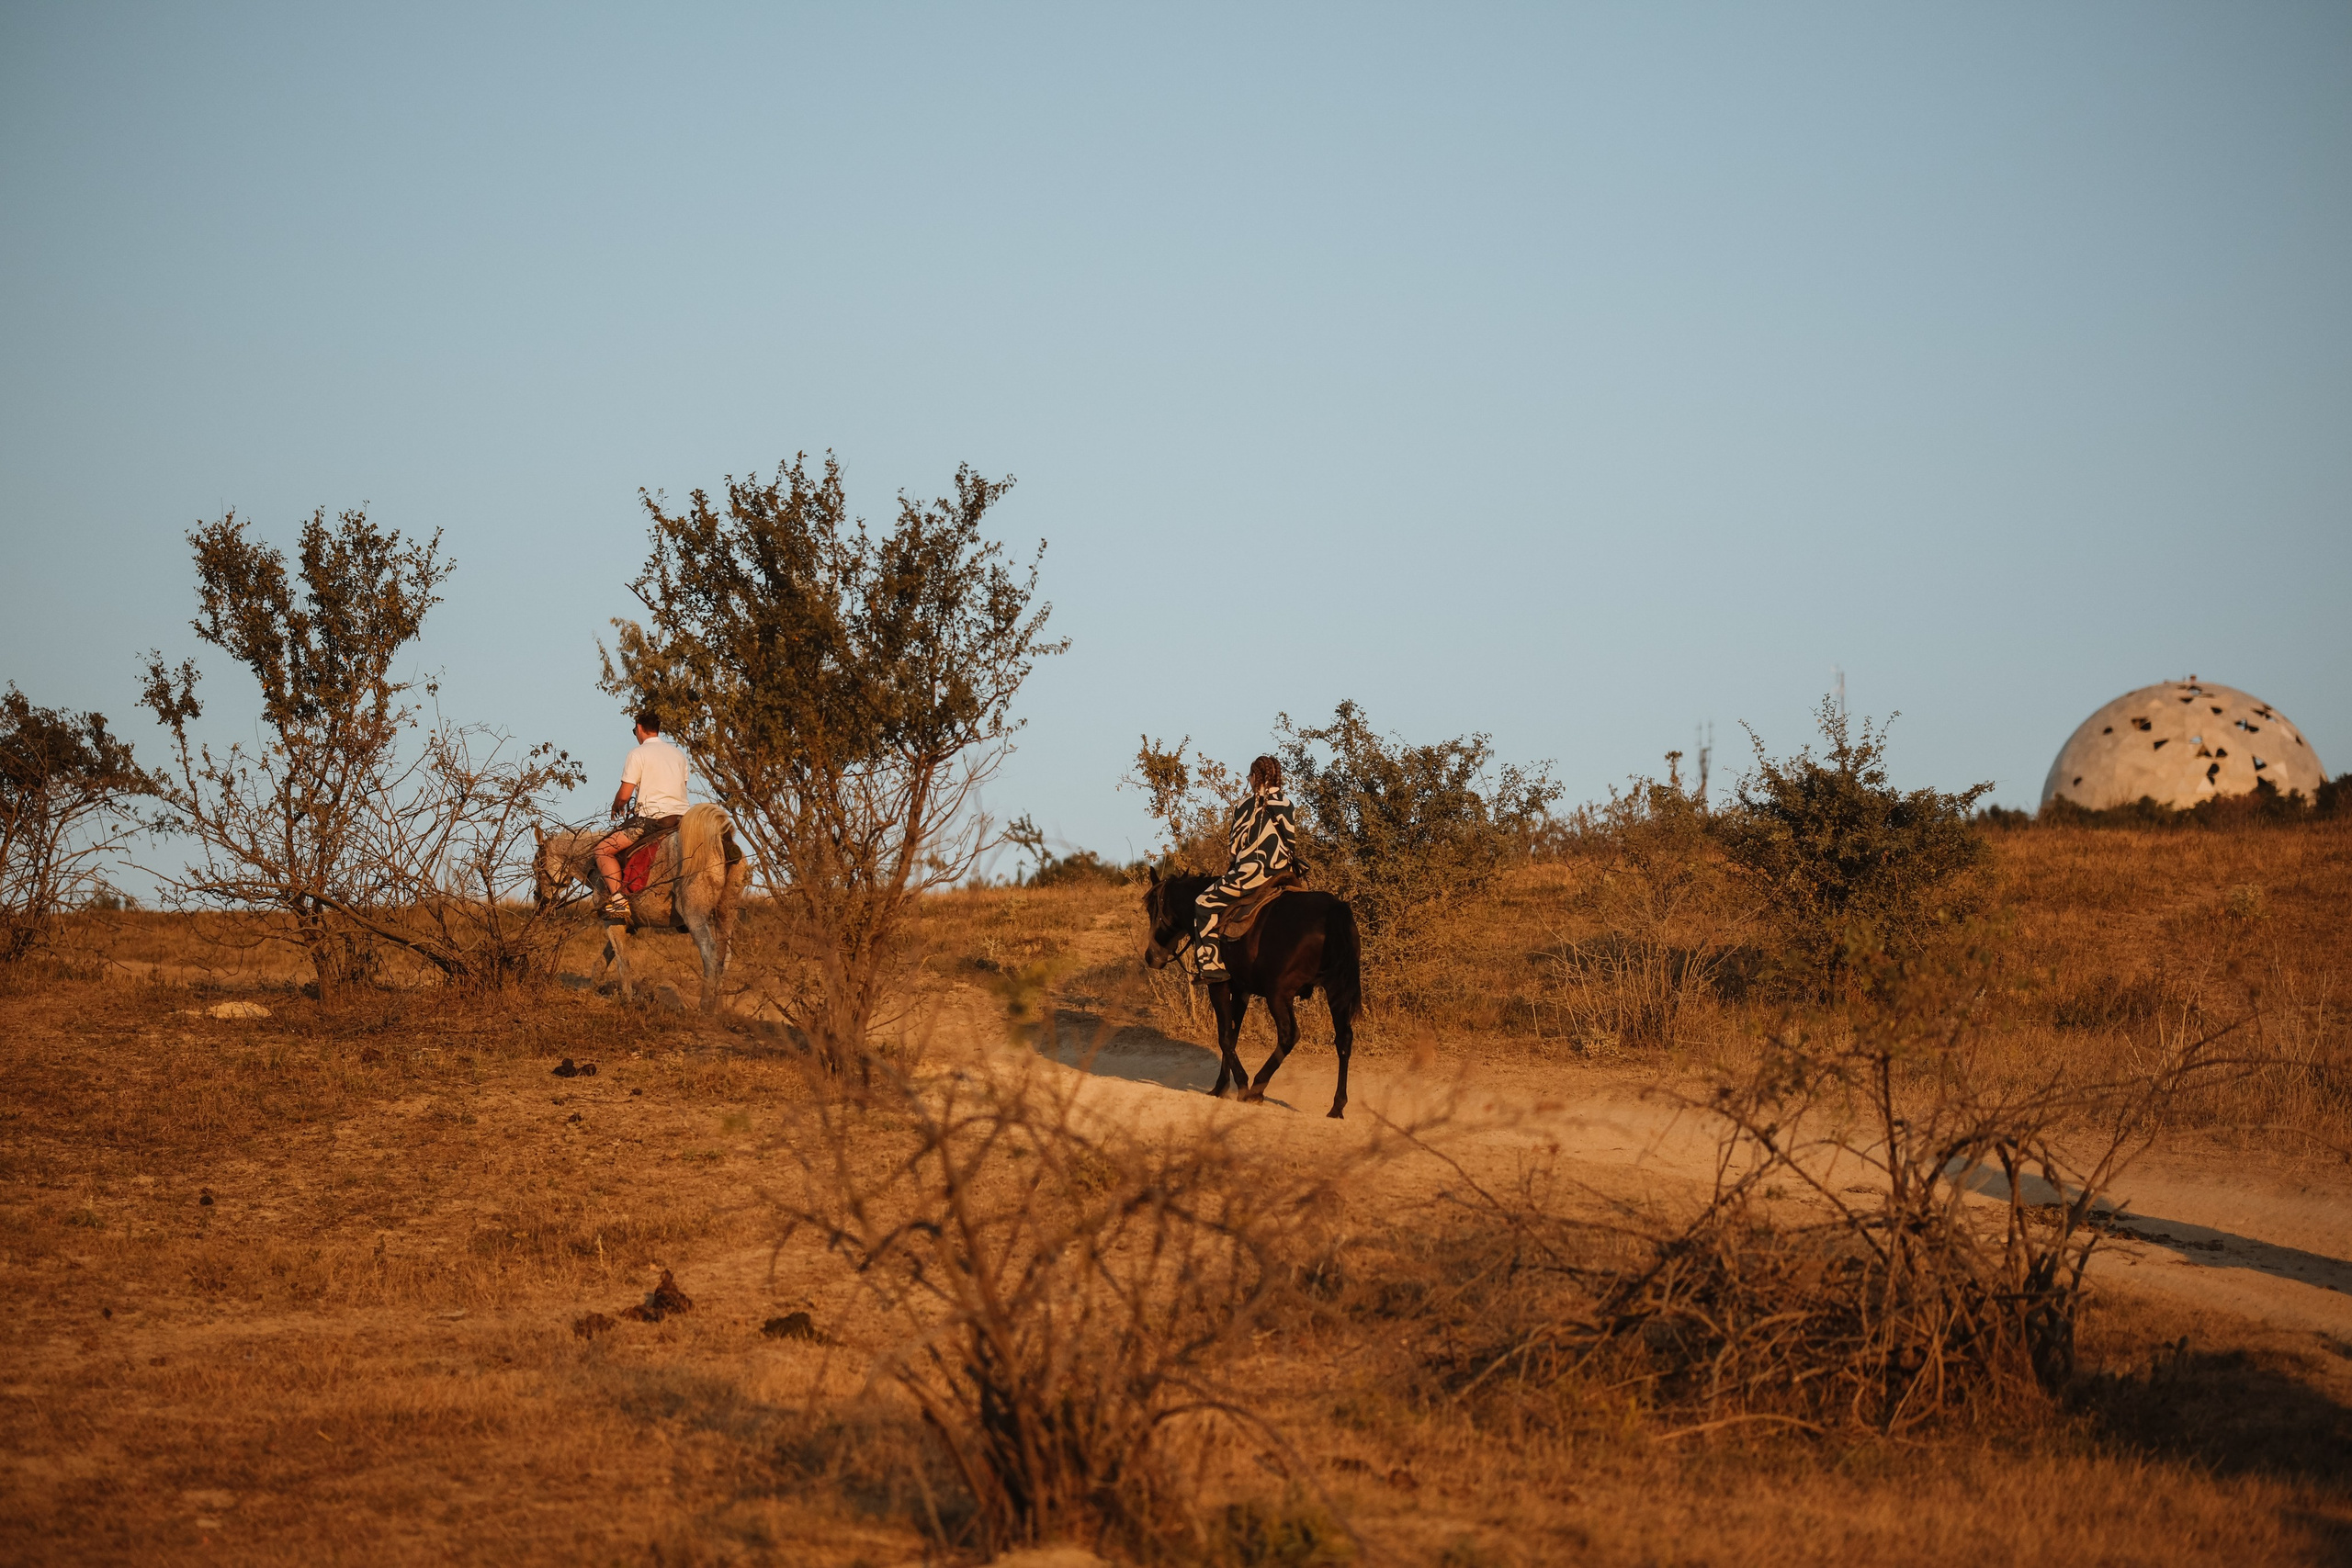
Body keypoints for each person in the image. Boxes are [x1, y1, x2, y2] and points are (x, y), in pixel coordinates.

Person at [1192, 754, 1301, 983]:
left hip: (1253, 875)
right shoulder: (1288, 804)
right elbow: (1291, 843)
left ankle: (1211, 966)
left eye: (1250, 776)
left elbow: (1234, 848)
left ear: (1255, 777)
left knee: (1203, 904)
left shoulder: (1246, 805)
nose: (1249, 780)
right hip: (1283, 874)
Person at [594, 710, 691, 920]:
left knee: (602, 850)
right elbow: (681, 787)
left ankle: (619, 901)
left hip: (652, 820)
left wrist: (617, 805)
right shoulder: (678, 754)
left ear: (638, 728)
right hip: (683, 819)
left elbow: (625, 794)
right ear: (658, 728)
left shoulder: (637, 753)